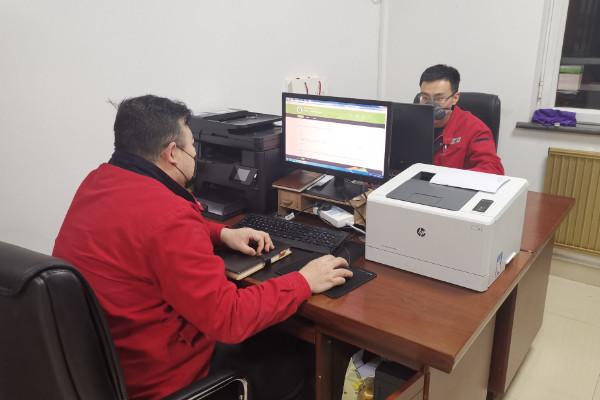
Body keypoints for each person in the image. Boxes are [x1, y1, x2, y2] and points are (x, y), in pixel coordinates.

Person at [53, 95, 352, 400]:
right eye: (193, 144)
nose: (196, 153)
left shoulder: (98, 182)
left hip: (110, 369)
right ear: (172, 153)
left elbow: (139, 232)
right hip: (164, 381)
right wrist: (304, 280)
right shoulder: (168, 217)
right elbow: (230, 318)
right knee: (297, 359)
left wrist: (221, 233)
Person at [418, 64, 504, 174]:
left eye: (439, 98)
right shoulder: (411, 122)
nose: (430, 105)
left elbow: (493, 169)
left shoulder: (475, 129)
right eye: (425, 98)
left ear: (455, 98)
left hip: (449, 183)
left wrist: (450, 177)